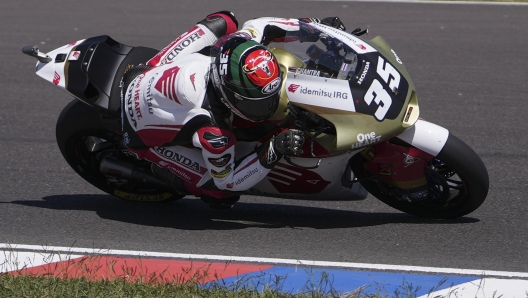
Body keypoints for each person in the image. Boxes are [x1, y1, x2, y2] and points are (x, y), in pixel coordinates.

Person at [120, 11, 346, 209]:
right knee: (220, 190)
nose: (266, 107)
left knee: (224, 20)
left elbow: (263, 25)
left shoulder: (235, 44)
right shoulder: (215, 133)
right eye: (254, 103)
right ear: (227, 94)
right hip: (138, 131)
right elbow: (228, 180)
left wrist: (315, 28)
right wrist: (274, 149)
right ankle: (166, 176)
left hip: (146, 72)